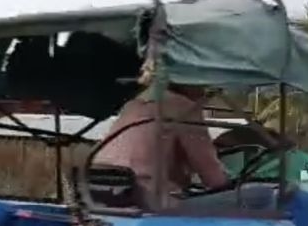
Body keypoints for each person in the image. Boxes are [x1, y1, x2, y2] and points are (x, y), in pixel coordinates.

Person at [96, 70, 229, 210]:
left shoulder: (134, 104)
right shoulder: (183, 107)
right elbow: (212, 176)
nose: (205, 92)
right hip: (144, 192)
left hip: (104, 186)